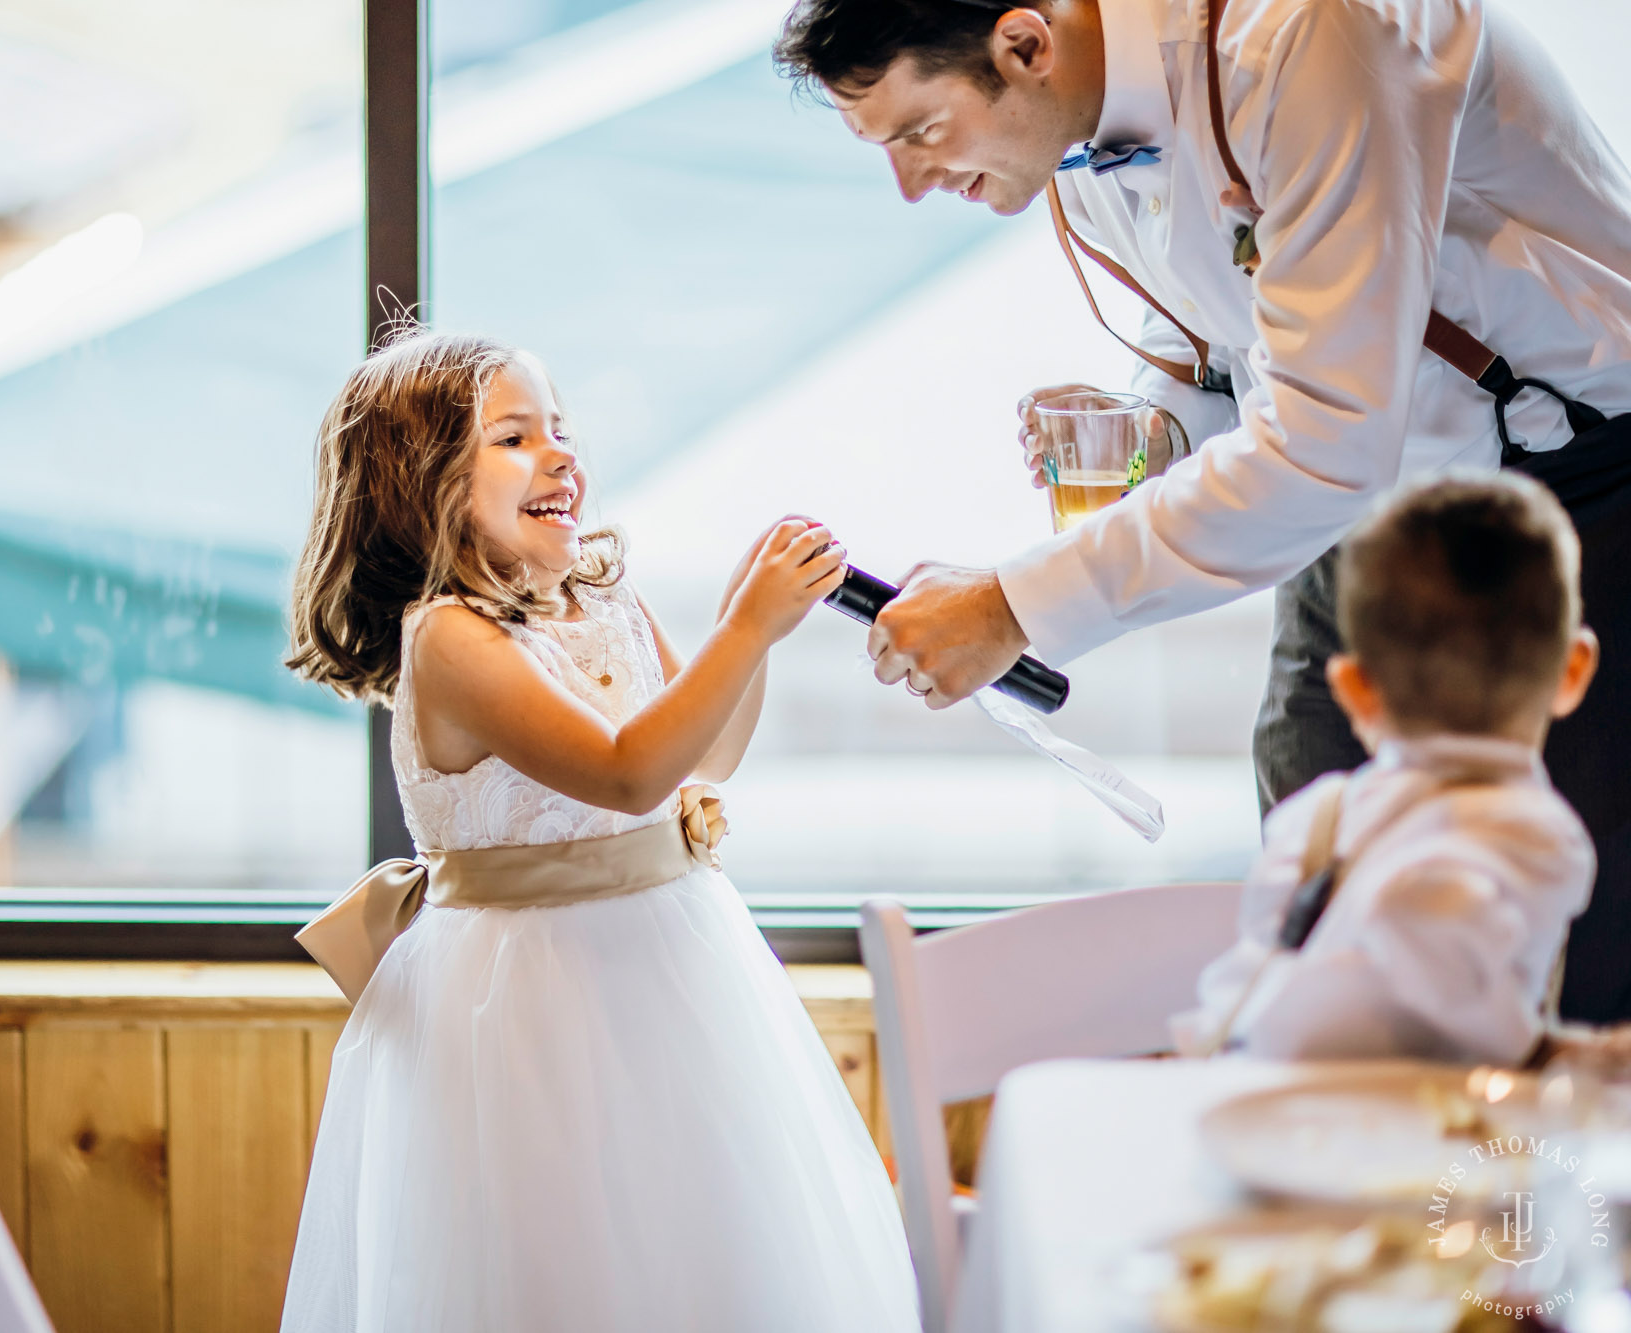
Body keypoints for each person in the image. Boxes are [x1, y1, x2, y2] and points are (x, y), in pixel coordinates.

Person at [772, 0, 1631, 1021]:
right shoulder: (1078, 134)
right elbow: (1234, 336)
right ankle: (1359, 1166)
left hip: (1576, 487)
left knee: (1567, 925)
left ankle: (1534, 1179)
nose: (909, 186)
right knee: (1319, 899)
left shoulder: (1307, 35)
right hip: (1365, 516)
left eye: (917, 134)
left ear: (1023, 46)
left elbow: (1325, 440)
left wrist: (1010, 606)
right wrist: (1159, 424)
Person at [277, 331, 919, 1333]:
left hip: (669, 962)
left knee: (703, 1242)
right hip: (529, 993)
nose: (560, 453)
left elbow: (707, 756)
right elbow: (627, 773)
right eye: (514, 436)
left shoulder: (600, 593)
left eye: (561, 429)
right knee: (559, 1259)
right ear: (420, 485)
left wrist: (742, 632)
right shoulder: (449, 638)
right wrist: (745, 628)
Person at [1172, 475, 1597, 1063]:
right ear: (1574, 669)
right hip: (1420, 1132)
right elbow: (1433, 909)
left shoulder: (1314, 816)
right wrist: (1551, 1056)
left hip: (1272, 1104)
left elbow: (1258, 956)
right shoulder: (1538, 832)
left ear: (1353, 688)